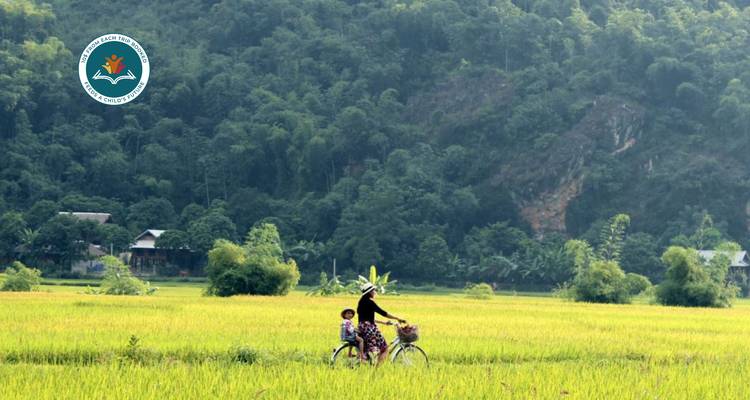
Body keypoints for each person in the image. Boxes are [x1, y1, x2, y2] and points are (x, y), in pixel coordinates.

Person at [357, 282, 406, 366]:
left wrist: (384, 322)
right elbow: (383, 313)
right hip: (369, 329)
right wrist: (398, 318)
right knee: (385, 348)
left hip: (362, 326)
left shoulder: (361, 302)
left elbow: (367, 319)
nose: (375, 292)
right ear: (369, 292)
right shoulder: (370, 302)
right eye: (373, 290)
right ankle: (376, 370)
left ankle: (369, 361)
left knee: (371, 347)